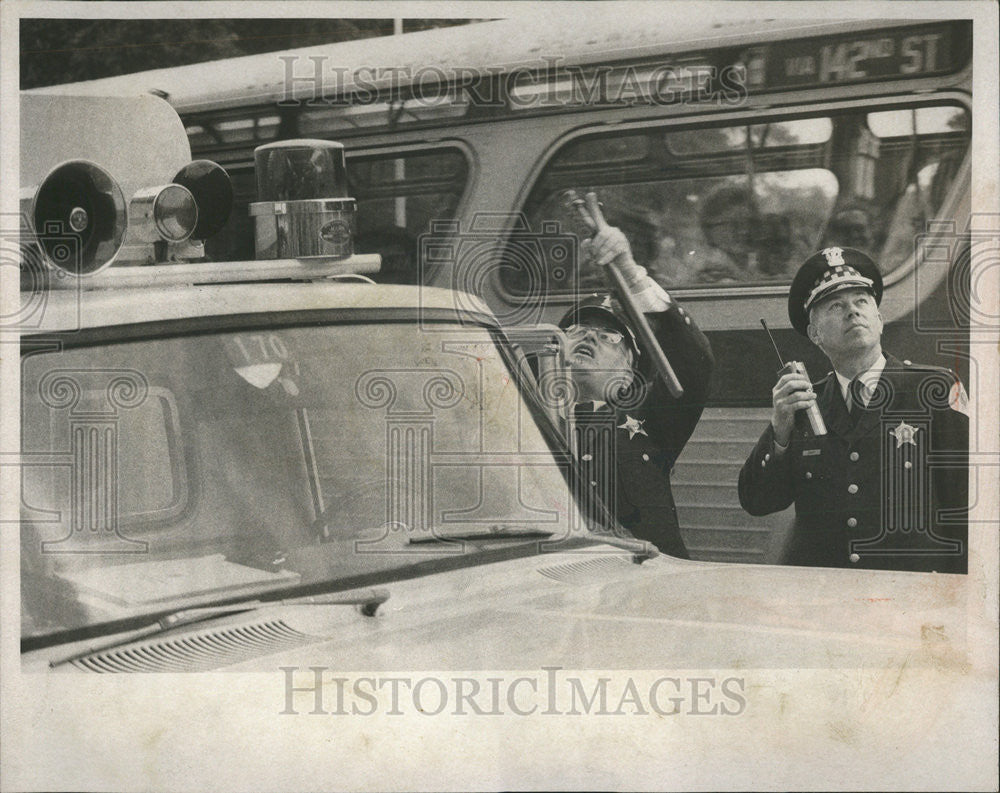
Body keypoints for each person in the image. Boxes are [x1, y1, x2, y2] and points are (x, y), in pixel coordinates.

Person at [738, 246, 969, 573]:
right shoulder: (804, 403)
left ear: (879, 319)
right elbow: (757, 502)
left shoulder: (936, 389)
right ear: (815, 334)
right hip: (826, 595)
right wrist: (780, 431)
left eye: (862, 302)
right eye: (836, 306)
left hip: (908, 595)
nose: (852, 312)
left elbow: (967, 508)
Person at [558, 225, 714, 558]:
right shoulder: (528, 421)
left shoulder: (649, 417)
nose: (589, 337)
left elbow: (692, 361)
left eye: (609, 337)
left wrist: (629, 272)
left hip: (644, 581)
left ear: (630, 375)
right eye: (578, 329)